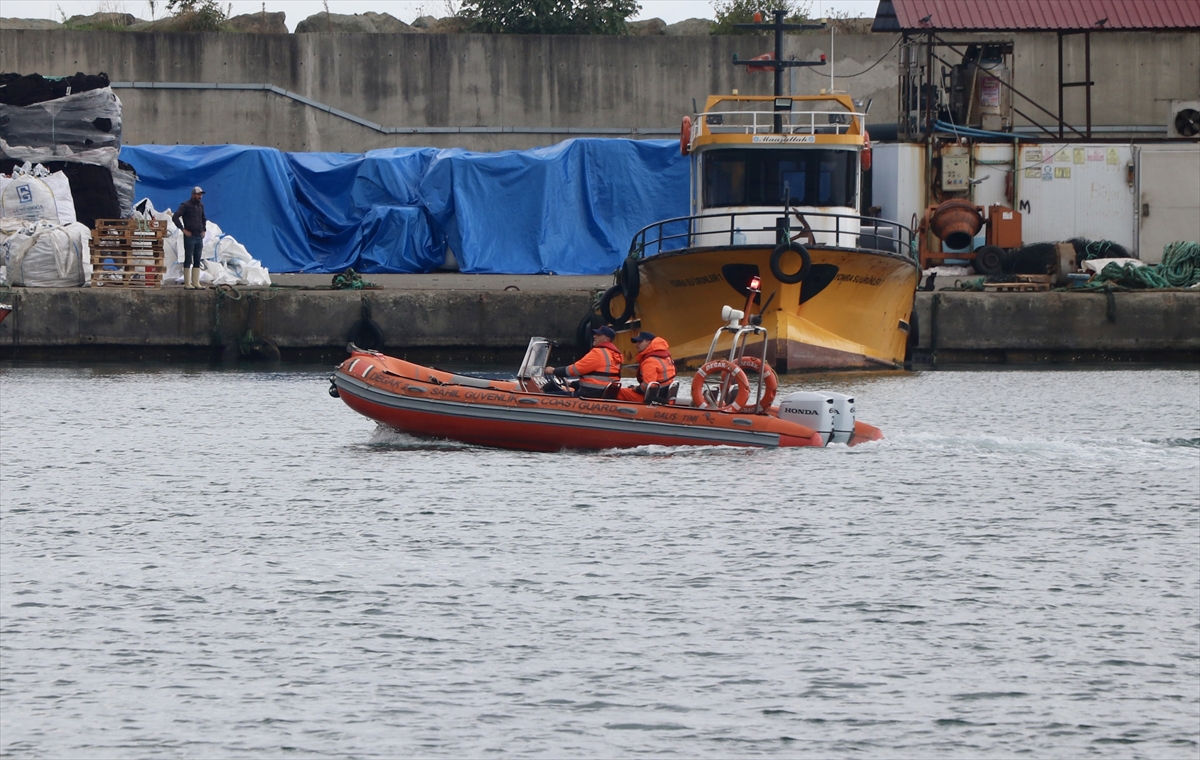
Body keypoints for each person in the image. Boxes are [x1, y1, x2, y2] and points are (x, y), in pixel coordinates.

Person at [544, 325, 623, 398]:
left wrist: (554, 371)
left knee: (548, 396)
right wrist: (573, 384)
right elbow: (600, 378)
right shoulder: (614, 355)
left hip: (590, 394)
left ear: (607, 339)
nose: (594, 336)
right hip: (601, 393)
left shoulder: (599, 353)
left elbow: (575, 369)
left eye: (598, 335)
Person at [617, 331, 676, 402]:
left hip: (652, 397)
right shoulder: (665, 357)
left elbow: (648, 386)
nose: (636, 344)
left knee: (617, 392)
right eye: (636, 342)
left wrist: (636, 388)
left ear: (648, 342)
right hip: (665, 396)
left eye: (640, 342)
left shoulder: (650, 361)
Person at [172, 186, 207, 290]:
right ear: (193, 195)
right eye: (198, 194)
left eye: (201, 195)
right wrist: (183, 229)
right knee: (188, 258)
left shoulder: (201, 206)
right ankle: (187, 283)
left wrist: (203, 229)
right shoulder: (186, 205)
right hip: (190, 236)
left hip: (198, 236)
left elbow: (203, 218)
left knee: (197, 258)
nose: (200, 196)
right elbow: (175, 217)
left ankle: (196, 282)